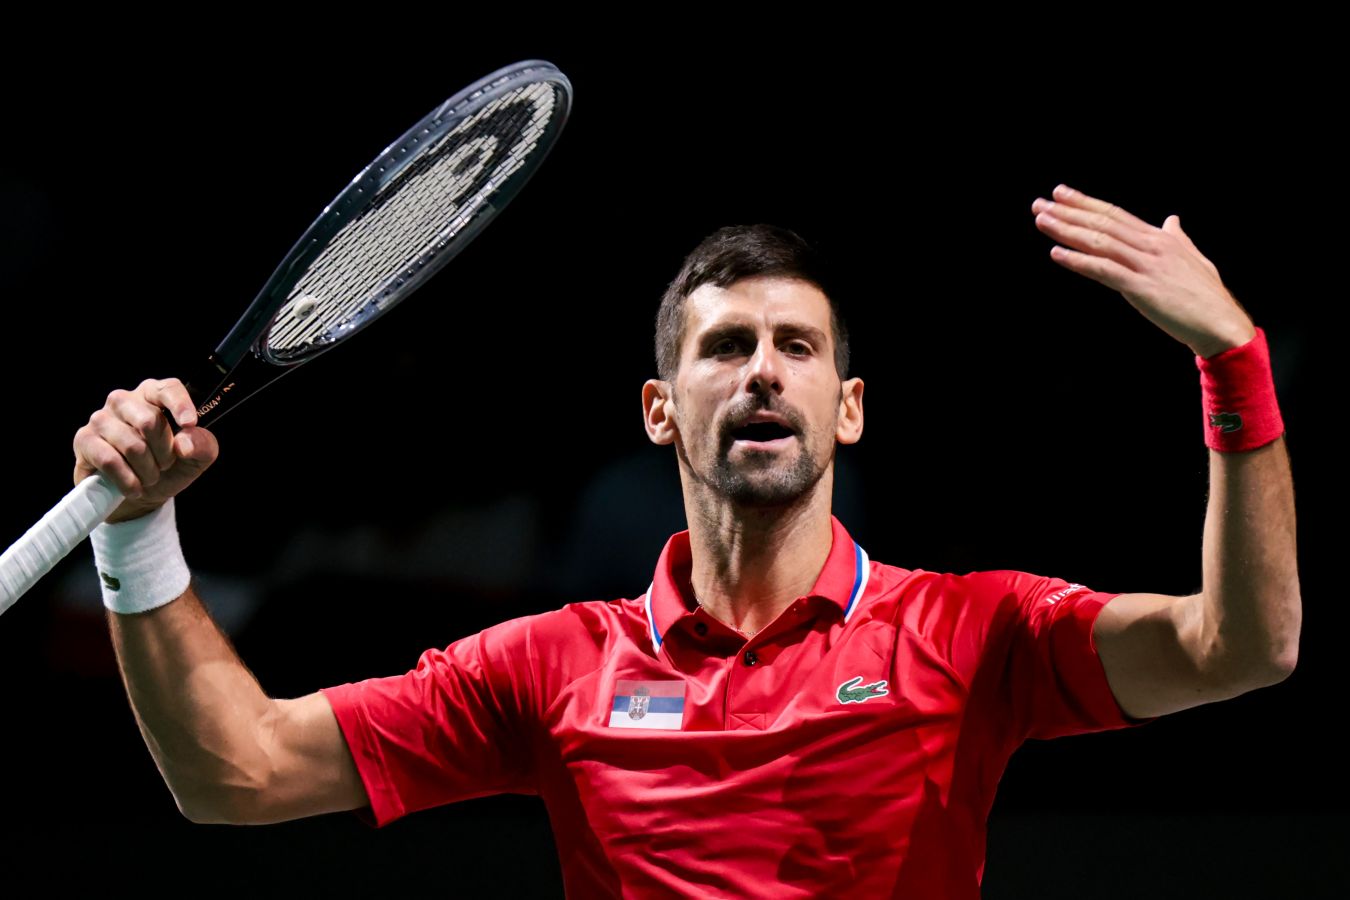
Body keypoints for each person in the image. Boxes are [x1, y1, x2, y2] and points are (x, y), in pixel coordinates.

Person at [75, 185, 1300, 897]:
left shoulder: (974, 635)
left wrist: (1233, 362)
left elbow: (1240, 649)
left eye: (796, 347)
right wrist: (137, 530)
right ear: (661, 410)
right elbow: (235, 772)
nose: (762, 370)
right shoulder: (551, 669)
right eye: (725, 348)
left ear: (849, 408)